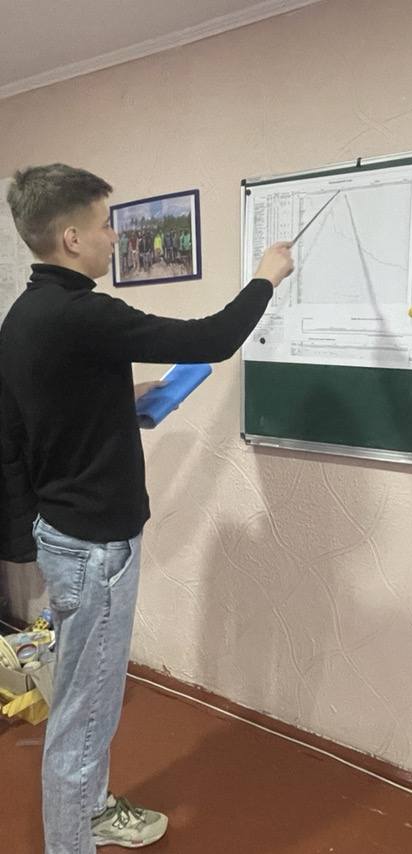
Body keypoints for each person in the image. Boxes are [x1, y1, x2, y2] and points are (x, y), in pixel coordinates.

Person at [0, 163, 293, 854]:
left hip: (64, 531)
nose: (114, 237)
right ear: (71, 238)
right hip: (94, 545)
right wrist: (266, 277)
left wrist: (123, 399)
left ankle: (91, 809)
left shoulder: (28, 315)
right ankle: (70, 841)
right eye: (106, 225)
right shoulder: (85, 315)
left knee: (86, 695)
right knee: (87, 708)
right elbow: (212, 338)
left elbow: (45, 411)